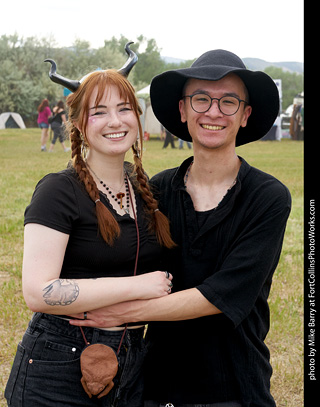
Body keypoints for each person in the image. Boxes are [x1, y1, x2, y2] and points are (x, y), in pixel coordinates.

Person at [71, 49, 292, 407]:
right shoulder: (155, 190)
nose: (213, 112)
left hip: (234, 384)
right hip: (156, 382)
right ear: (183, 110)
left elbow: (222, 294)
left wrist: (125, 312)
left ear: (246, 115)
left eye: (229, 101)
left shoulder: (267, 197)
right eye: (201, 99)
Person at [5, 43, 175, 407]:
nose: (115, 121)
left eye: (124, 108)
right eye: (99, 112)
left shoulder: (146, 190)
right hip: (58, 360)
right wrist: (138, 285)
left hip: (131, 359)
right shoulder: (58, 190)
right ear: (80, 124)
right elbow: (38, 292)